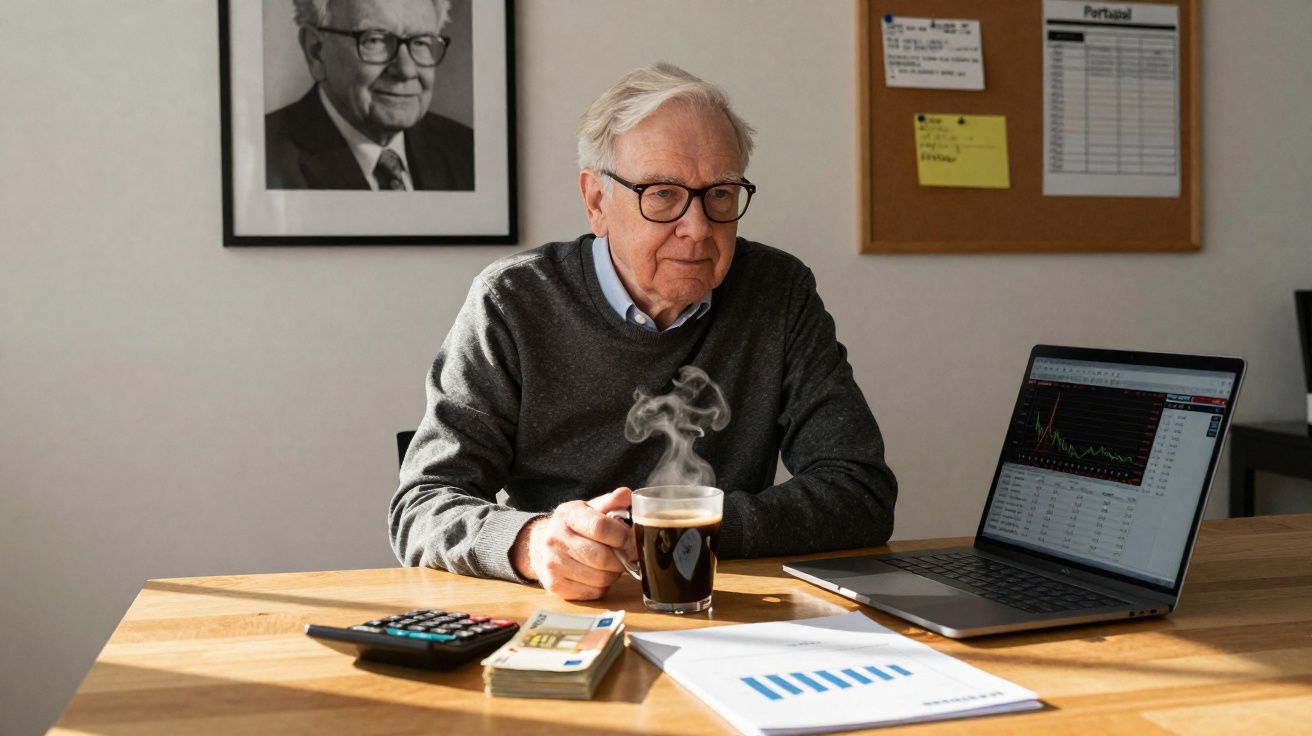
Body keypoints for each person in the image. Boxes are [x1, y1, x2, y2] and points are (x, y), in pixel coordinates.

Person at [392, 62, 897, 600]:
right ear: (596, 202)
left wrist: (686, 525)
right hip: (563, 609)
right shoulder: (513, 302)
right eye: (661, 194)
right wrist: (533, 542)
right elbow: (422, 504)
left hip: (721, 604)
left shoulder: (778, 292)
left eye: (721, 194)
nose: (699, 227)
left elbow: (859, 491)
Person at [265, 0, 474, 191]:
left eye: (420, 42)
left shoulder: (468, 152)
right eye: (375, 40)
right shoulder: (259, 159)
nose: (406, 70)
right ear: (316, 51)